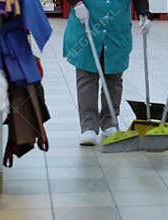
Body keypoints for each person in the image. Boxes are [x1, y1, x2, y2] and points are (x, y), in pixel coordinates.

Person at [63, 0, 152, 145]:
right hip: (87, 22)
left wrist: (144, 13)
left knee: (114, 77)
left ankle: (110, 121)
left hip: (116, 27)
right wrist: (77, 3)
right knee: (87, 77)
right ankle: (88, 126)